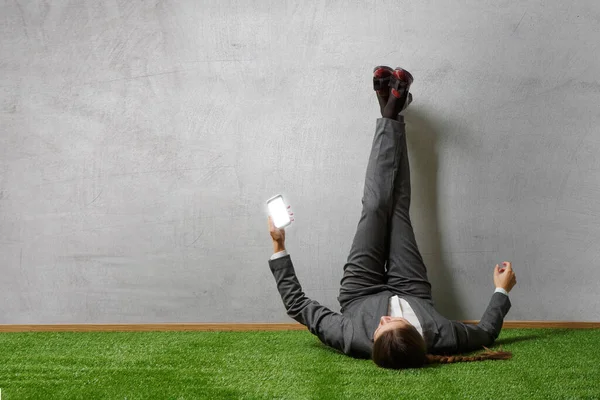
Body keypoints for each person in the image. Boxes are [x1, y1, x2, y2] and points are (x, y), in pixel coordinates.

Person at [266, 66, 517, 369]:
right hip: (412, 288)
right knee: (397, 208)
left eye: (379, 328)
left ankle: (391, 110)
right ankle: (391, 108)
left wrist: (279, 246)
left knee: (374, 206)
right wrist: (502, 288)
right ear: (418, 336)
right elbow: (486, 333)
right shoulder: (444, 336)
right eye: (395, 323)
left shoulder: (352, 336)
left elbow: (298, 305)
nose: (385, 319)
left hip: (360, 289)